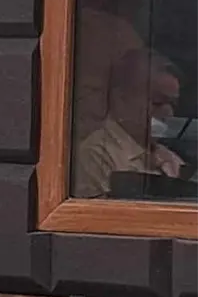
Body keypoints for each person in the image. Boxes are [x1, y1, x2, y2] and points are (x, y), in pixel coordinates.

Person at [73, 48, 184, 198]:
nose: (168, 113)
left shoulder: (171, 160)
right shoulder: (95, 157)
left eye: (173, 104)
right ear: (120, 98)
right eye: (157, 102)